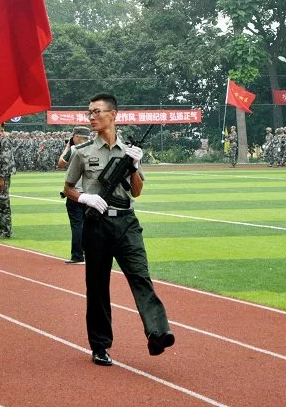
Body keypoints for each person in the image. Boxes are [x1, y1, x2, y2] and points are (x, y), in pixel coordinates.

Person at [64, 93, 174, 366]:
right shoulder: (82, 152)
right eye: (89, 112)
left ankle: (158, 332)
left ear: (113, 115)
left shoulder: (129, 152)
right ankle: (100, 346)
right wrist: (85, 197)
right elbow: (67, 188)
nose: (91, 117)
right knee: (98, 286)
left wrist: (135, 166)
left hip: (126, 222)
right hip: (97, 224)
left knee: (140, 276)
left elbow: (136, 190)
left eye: (97, 112)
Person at [57, 125, 91, 264]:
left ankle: (77, 255)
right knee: (89, 226)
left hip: (75, 193)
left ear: (76, 136)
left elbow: (61, 163)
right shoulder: (95, 149)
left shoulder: (74, 149)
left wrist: (68, 145)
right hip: (90, 194)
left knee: (77, 225)